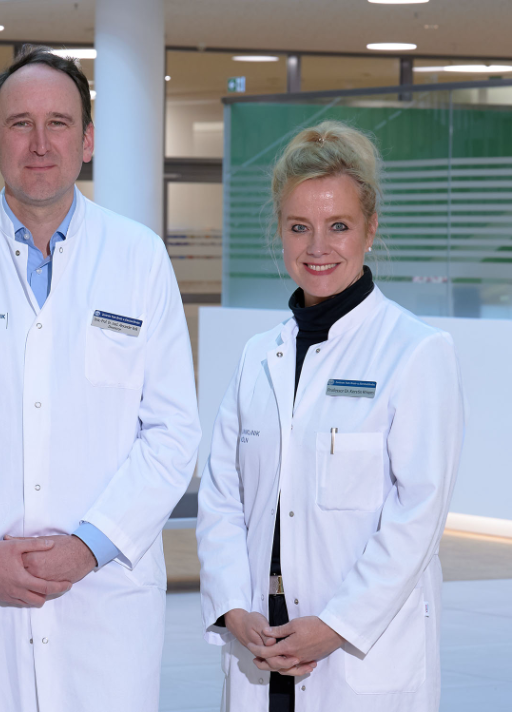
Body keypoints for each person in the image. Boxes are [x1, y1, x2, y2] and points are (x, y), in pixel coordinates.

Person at [0, 46, 200, 712]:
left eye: (58, 123)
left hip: (102, 596)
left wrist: (89, 545)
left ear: (87, 141)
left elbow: (172, 431)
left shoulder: (138, 257)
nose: (39, 142)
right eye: (19, 124)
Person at [196, 121, 464, 712]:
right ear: (281, 231)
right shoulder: (258, 355)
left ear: (370, 229)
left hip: (357, 654)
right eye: (300, 227)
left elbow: (416, 517)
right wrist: (233, 607)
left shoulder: (415, 352)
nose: (317, 246)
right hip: (259, 640)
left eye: (338, 225)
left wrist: (336, 625)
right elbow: (221, 497)